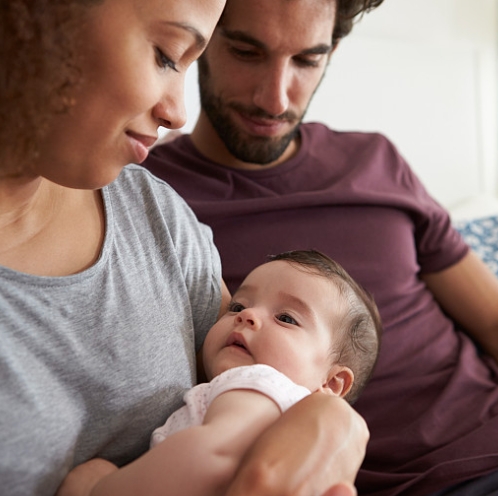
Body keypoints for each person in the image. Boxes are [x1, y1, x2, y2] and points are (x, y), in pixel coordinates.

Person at [142, 0, 498, 494]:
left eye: (308, 60)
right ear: (204, 35)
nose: (276, 96)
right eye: (245, 50)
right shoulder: (153, 198)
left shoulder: (376, 162)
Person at [0, 2, 369, 496]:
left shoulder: (153, 213)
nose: (177, 113)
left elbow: (261, 375)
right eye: (167, 55)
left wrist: (337, 425)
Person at [60, 249, 382, 496]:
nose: (248, 316)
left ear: (332, 382)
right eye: (238, 306)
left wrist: (100, 486)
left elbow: (213, 457)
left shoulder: (259, 382)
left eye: (286, 318)